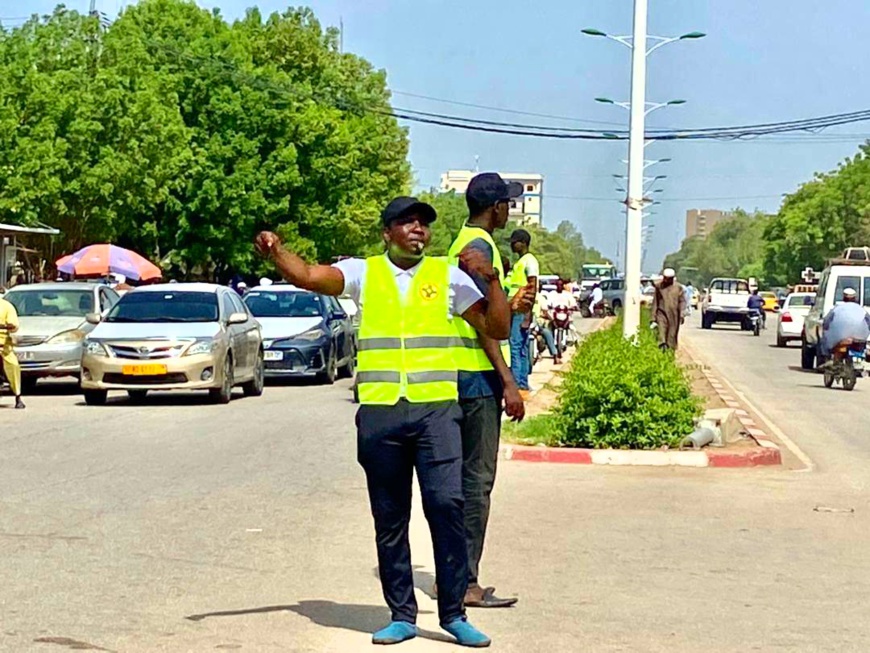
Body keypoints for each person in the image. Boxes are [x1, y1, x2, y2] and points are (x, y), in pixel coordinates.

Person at [255, 196, 510, 648]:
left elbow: (496, 327)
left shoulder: (447, 277)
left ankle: (453, 613)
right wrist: (277, 252)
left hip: (436, 412)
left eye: (423, 224)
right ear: (387, 232)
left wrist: (490, 281)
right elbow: (310, 276)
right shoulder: (364, 272)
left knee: (448, 508)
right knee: (390, 516)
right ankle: (401, 614)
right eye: (407, 222)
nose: (418, 230)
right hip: (382, 412)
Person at [447, 173, 532, 610]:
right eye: (507, 204)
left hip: (459, 377)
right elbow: (484, 327)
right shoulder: (479, 250)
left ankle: (460, 575)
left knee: (463, 483)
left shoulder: (466, 242)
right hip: (476, 379)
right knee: (477, 482)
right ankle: (467, 582)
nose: (509, 210)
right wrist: (508, 380)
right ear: (496, 207)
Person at [504, 229, 539, 398]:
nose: (512, 245)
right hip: (515, 310)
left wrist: (527, 315)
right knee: (522, 349)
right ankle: (523, 385)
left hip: (521, 311)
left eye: (514, 242)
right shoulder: (520, 262)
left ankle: (519, 386)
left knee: (516, 348)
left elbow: (532, 288)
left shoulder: (529, 261)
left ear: (523, 243)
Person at [820, 288, 870, 358]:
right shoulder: (862, 310)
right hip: (859, 339)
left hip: (838, 339)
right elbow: (868, 322)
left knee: (824, 341)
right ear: (855, 298)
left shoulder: (836, 309)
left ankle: (826, 357)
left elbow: (826, 323)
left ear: (844, 298)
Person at [651, 268, 686, 351]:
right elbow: (655, 302)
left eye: (668, 278)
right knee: (661, 333)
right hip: (661, 314)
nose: (666, 280)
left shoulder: (678, 288)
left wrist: (682, 314)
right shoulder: (659, 287)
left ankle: (669, 355)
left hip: (674, 315)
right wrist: (653, 317)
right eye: (665, 278)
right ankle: (661, 350)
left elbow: (682, 302)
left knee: (671, 336)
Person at [0, 293, 25, 409]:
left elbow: (14, 325)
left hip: (3, 344)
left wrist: (4, 326)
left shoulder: (6, 306)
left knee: (13, 366)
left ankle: (18, 396)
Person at [533, 283, 560, 364]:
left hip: (528, 321)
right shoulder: (541, 298)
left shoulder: (526, 295)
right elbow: (545, 311)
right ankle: (555, 355)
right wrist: (552, 319)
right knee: (547, 333)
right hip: (536, 322)